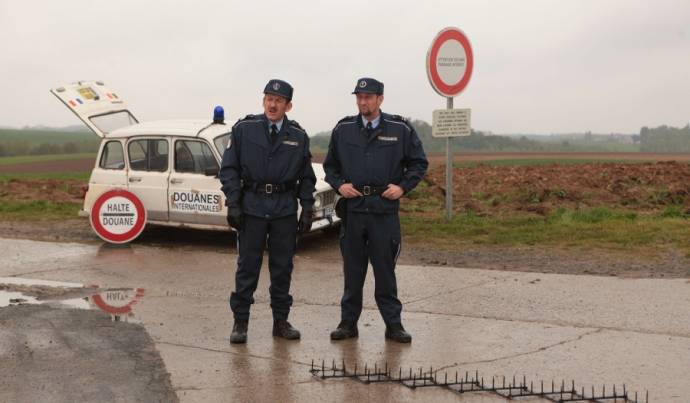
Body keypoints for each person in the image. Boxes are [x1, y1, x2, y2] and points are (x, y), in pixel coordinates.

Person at [323, 77, 429, 343]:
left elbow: (418, 163)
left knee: (385, 273)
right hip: (354, 210)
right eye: (359, 97)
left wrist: (403, 188)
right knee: (353, 273)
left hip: (384, 211)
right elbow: (330, 167)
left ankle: (393, 326)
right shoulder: (343, 129)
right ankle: (348, 324)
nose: (363, 101)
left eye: (368, 97)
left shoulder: (400, 129)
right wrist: (340, 185)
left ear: (380, 99)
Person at [219, 79, 316, 344]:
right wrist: (234, 202)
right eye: (268, 99)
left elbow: (307, 177)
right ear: (263, 101)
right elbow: (229, 169)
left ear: (288, 105)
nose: (273, 104)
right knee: (248, 267)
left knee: (282, 267)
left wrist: (307, 208)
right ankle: (241, 322)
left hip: (284, 209)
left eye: (279, 101)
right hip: (252, 207)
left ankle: (281, 321)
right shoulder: (244, 129)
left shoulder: (298, 136)